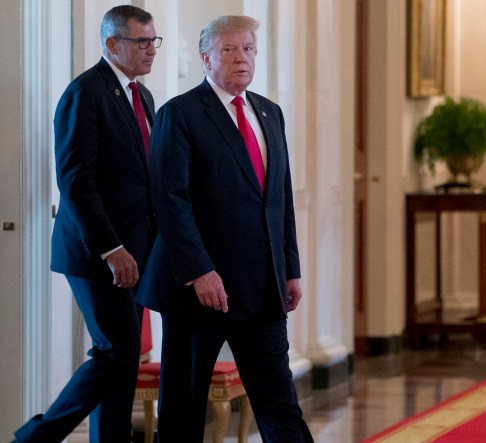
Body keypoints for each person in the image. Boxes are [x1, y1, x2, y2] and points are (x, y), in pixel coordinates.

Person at [137, 15, 313, 442]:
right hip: (198, 291)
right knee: (182, 411)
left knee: (281, 406)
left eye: (249, 49)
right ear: (206, 59)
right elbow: (170, 200)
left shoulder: (269, 113)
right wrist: (200, 271)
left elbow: (279, 198)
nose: (242, 59)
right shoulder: (180, 113)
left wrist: (289, 267)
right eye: (230, 50)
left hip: (263, 287)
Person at [13, 5, 161, 443]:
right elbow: (76, 182)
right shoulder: (86, 93)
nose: (151, 50)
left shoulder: (142, 95)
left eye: (155, 41)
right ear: (112, 44)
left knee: (122, 355)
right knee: (115, 351)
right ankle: (35, 437)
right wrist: (111, 248)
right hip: (99, 252)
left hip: (137, 251)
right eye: (142, 42)